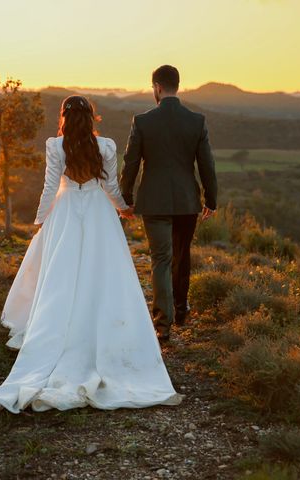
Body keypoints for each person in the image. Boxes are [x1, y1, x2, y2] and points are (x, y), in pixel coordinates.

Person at [0, 95, 185, 414]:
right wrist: (122, 208)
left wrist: (42, 220)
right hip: (100, 214)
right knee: (103, 276)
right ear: (92, 117)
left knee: (61, 280)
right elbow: (110, 186)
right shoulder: (107, 146)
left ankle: (58, 338)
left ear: (63, 118)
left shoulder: (56, 146)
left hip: (67, 212)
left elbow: (49, 187)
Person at [120, 65, 218, 344]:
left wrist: (125, 197)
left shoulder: (142, 121)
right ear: (177, 86)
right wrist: (211, 199)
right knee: (182, 254)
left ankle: (163, 324)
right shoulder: (196, 121)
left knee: (161, 259)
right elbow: (207, 164)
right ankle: (182, 308)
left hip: (154, 202)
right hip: (187, 201)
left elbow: (130, 163)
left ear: (157, 87)